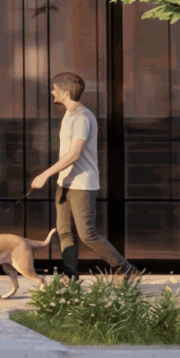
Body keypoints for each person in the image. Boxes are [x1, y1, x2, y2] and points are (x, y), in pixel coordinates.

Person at [31, 70, 134, 278]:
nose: (52, 92)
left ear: (65, 92)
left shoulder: (83, 117)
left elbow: (75, 154)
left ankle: (125, 268)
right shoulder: (70, 115)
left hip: (82, 185)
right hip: (65, 183)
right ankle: (71, 279)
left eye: (54, 89)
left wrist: (45, 174)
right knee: (64, 232)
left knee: (87, 234)